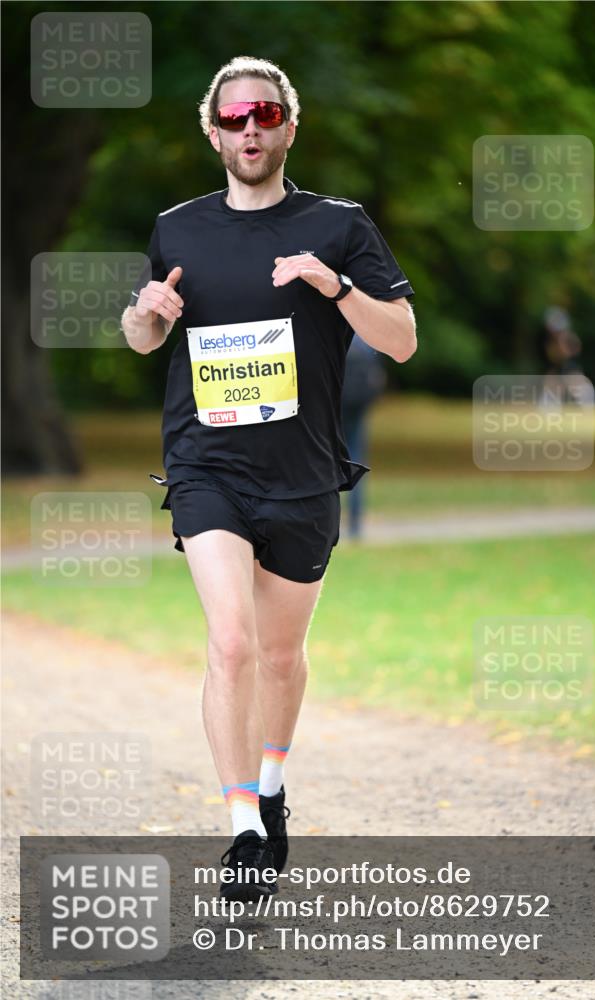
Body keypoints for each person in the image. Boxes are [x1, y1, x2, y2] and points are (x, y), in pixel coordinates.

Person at [121, 55, 416, 901]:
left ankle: (274, 783)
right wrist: (146, 316)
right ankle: (243, 824)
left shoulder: (338, 225)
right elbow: (143, 334)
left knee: (282, 656)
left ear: (290, 124)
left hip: (302, 472)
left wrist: (337, 288)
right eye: (235, 117)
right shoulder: (178, 228)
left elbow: (399, 338)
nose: (250, 129)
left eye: (265, 114)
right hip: (206, 463)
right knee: (233, 642)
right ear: (212, 132)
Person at [340, 333, 387, 538]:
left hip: (333, 405)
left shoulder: (329, 329)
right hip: (358, 406)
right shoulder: (365, 335)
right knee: (356, 457)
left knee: (326, 461)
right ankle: (355, 523)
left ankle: (329, 522)